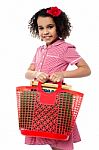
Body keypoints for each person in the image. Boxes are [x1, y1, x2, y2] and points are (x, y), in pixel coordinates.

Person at [25, 6, 91, 150]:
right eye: (41, 28)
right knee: (50, 138)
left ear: (59, 26)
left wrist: (63, 74)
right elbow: (28, 73)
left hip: (57, 100)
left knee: (61, 140)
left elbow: (86, 69)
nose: (45, 32)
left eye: (50, 26)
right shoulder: (39, 50)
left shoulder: (65, 48)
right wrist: (36, 74)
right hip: (40, 99)